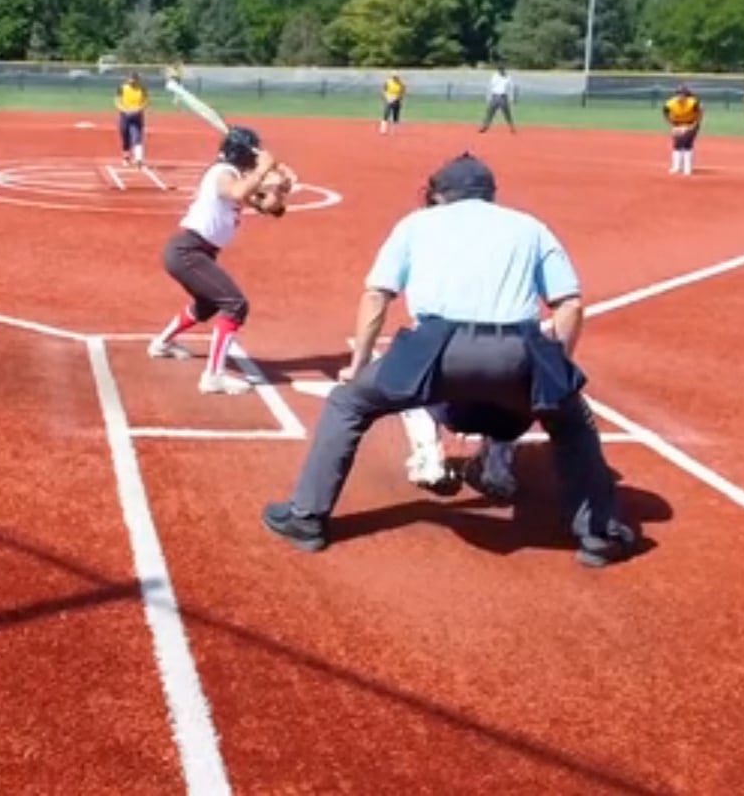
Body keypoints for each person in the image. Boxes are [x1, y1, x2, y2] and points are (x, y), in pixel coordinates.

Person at [260, 152, 639, 568]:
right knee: (572, 424)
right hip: (517, 352)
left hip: (436, 351)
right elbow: (569, 305)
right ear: (489, 194)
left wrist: (359, 363)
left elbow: (377, 296)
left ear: (440, 194)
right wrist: (554, 372)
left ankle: (306, 519)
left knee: (348, 404)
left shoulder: (415, 224)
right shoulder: (530, 227)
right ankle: (599, 535)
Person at [148, 126, 295, 395]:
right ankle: (213, 377)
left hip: (197, 253)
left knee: (207, 304)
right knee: (234, 304)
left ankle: (162, 343)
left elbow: (270, 208)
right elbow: (237, 193)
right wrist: (264, 170)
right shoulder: (221, 173)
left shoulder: (236, 176)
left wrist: (281, 188)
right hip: (188, 251)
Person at [663, 83, 703, 176]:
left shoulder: (693, 102)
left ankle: (687, 168)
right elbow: (665, 114)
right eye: (679, 93)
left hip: (691, 123)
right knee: (677, 143)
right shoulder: (670, 103)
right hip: (678, 124)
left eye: (683, 94)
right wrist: (673, 125)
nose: (681, 96)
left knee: (686, 143)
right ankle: (676, 167)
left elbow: (700, 113)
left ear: (687, 95)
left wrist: (693, 125)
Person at [116, 73, 150, 166]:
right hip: (125, 115)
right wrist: (124, 110)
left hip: (137, 115)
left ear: (137, 80)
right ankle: (126, 157)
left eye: (134, 80)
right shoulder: (122, 88)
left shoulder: (142, 89)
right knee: (125, 136)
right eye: (130, 80)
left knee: (137, 136)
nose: (132, 82)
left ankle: (139, 159)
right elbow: (117, 101)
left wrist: (139, 109)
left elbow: (146, 101)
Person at [480, 66, 516, 133]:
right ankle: (485, 126)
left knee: (507, 113)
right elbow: (490, 86)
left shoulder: (508, 77)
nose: (501, 71)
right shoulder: (494, 76)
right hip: (495, 96)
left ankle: (511, 127)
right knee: (489, 112)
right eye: (500, 70)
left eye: (502, 69)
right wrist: (488, 97)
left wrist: (512, 98)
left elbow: (511, 87)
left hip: (503, 96)